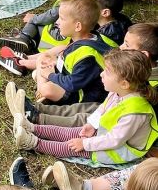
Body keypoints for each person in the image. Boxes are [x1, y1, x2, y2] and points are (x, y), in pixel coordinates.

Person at [13, 49, 158, 163]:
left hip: (119, 150)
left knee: (70, 147)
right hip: (106, 134)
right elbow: (103, 108)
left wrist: (85, 144)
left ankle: (33, 143)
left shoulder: (135, 113)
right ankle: (32, 128)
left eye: (107, 72)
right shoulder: (118, 92)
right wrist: (92, 125)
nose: (101, 74)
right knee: (69, 132)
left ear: (124, 84)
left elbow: (114, 140)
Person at [5, 21, 158, 129]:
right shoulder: (133, 65)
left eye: (127, 45)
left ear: (144, 55)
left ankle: (36, 118)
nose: (121, 47)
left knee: (84, 115)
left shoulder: (148, 82)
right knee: (78, 109)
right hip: (110, 103)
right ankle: (34, 108)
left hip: (117, 119)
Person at [27, 0, 111, 105]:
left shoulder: (88, 56)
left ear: (77, 26)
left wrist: (50, 75)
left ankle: (41, 97)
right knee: (41, 66)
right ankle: (43, 90)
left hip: (85, 96)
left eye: (61, 18)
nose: (57, 22)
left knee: (47, 88)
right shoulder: (86, 37)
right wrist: (55, 63)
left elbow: (72, 84)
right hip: (74, 82)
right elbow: (71, 65)